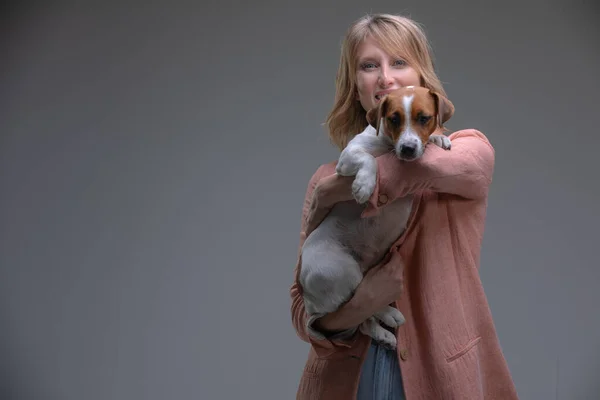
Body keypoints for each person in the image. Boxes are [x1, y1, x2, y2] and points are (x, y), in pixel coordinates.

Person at [289, 13, 519, 400]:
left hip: (437, 376)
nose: (384, 77)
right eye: (368, 65)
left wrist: (331, 193)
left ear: (422, 76)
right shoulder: (324, 176)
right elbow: (302, 307)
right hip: (346, 379)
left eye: (398, 62)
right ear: (355, 86)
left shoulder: (468, 151)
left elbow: (415, 169)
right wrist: (363, 304)